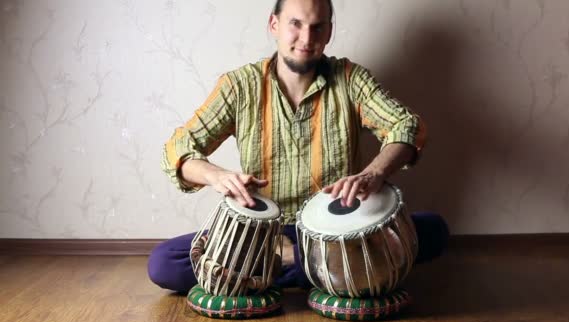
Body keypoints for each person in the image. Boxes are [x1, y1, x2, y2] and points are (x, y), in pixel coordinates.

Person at [148, 0, 449, 294]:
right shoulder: (239, 86)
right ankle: (320, 270)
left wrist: (374, 173)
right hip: (261, 236)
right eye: (296, 24)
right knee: (165, 263)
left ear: (329, 32)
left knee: (434, 231)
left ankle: (280, 265)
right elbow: (178, 147)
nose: (307, 38)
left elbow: (406, 126)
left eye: (317, 27)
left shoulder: (351, 79)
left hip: (337, 235)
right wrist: (217, 176)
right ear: (274, 24)